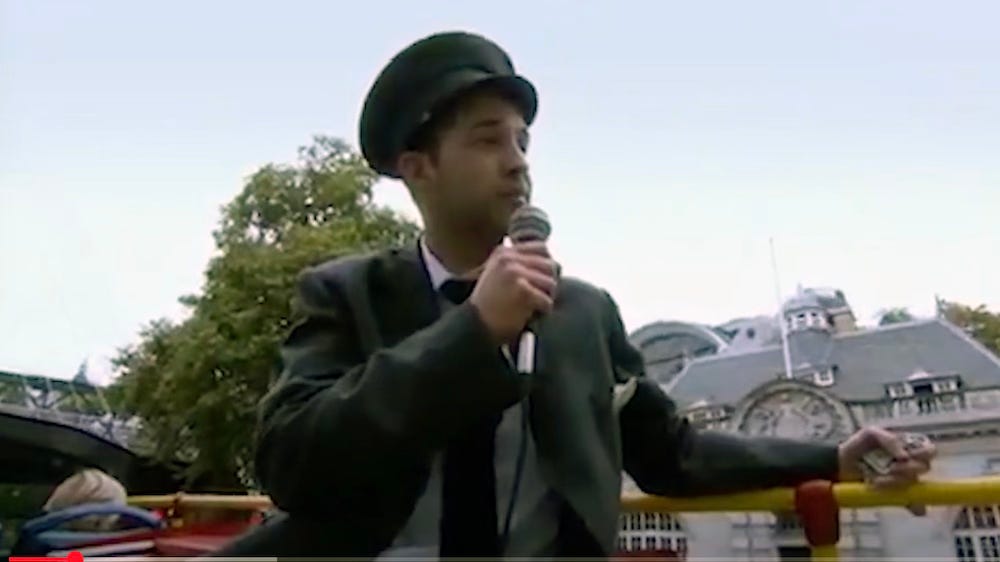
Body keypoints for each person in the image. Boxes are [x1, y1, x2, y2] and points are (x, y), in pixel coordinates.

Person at [217, 31, 936, 559]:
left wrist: (833, 457)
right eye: (489, 140)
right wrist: (469, 334)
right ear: (418, 167)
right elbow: (292, 463)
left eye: (524, 141)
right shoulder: (345, 294)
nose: (517, 164)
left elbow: (671, 455)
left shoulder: (583, 313)